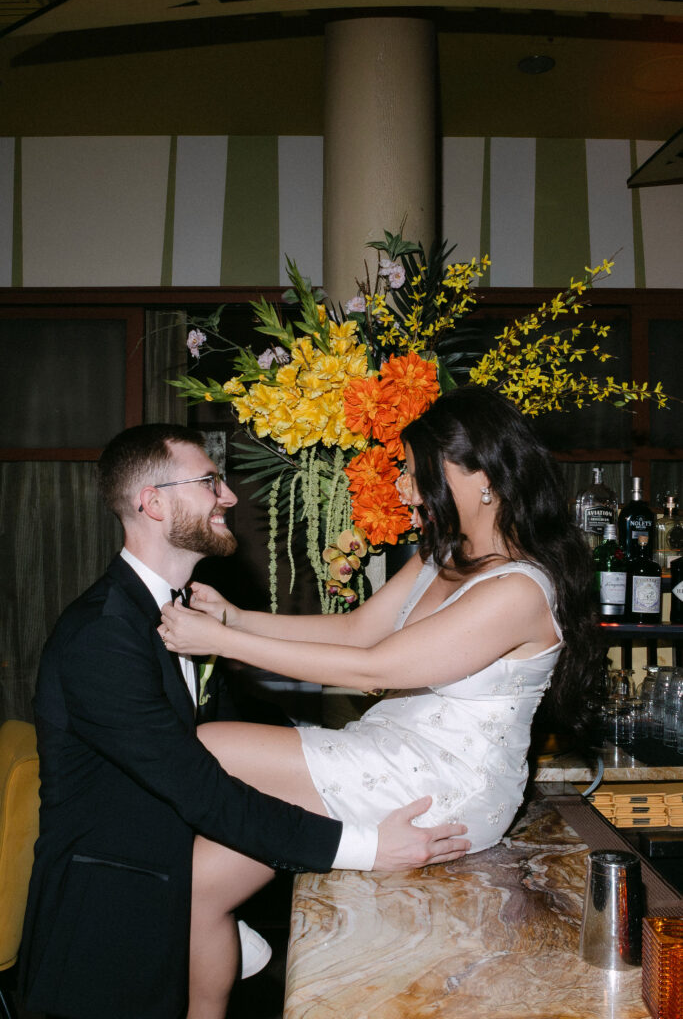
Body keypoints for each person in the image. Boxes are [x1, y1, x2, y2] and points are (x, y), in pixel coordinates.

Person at [159, 386, 603, 1018]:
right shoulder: (438, 556)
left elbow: (373, 669)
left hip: (447, 784)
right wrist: (237, 616)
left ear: (478, 476)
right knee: (199, 889)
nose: (403, 490)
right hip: (388, 749)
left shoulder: (521, 588)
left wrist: (222, 641)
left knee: (209, 743)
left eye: (416, 473)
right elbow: (356, 631)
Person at [18, 423, 470, 1019]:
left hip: (174, 896)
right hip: (109, 930)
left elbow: (235, 757)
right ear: (152, 504)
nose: (228, 496)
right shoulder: (100, 635)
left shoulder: (184, 613)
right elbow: (201, 789)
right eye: (210, 482)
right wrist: (364, 846)